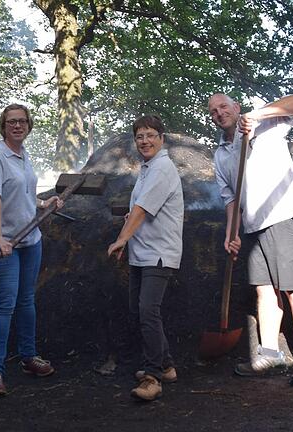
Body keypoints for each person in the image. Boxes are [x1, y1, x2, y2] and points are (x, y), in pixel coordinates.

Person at [207, 93, 293, 387]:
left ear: (236, 108)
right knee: (265, 291)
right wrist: (231, 233)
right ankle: (271, 355)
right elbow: (232, 199)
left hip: (284, 215)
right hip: (253, 225)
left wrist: (258, 115)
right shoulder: (221, 153)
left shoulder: (267, 125)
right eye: (213, 110)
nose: (219, 112)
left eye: (224, 106)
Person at [0, 104, 63, 397]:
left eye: (22, 121)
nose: (17, 125)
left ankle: (29, 357)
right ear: (3, 126)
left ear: (29, 125)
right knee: (5, 304)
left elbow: (24, 195)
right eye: (12, 121)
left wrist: (45, 203)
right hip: (3, 244)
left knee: (27, 300)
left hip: (30, 241)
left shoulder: (25, 157)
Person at [107, 115, 184, 401]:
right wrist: (130, 227)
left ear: (161, 139)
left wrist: (122, 238)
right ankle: (166, 365)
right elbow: (139, 209)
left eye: (151, 135)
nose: (145, 141)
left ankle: (153, 377)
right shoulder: (148, 168)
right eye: (140, 136)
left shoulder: (162, 168)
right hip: (143, 252)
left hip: (158, 252)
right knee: (139, 309)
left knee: (148, 311)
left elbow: (142, 209)